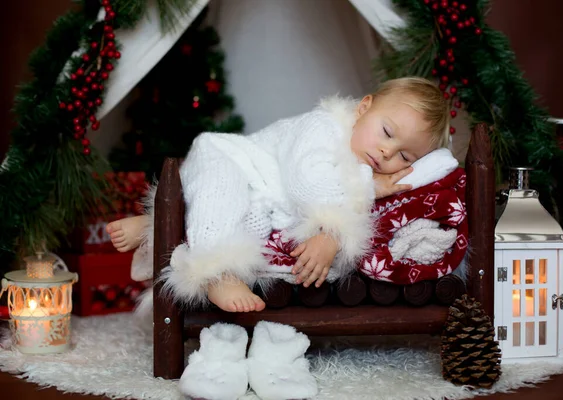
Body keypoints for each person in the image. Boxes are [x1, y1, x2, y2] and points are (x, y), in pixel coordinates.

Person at [106, 77, 450, 314]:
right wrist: (367, 188)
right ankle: (217, 273)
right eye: (387, 132)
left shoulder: (360, 167)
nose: (388, 152)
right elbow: (307, 186)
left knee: (251, 226)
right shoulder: (323, 127)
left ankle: (155, 225)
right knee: (221, 200)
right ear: (364, 108)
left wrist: (331, 238)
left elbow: (335, 214)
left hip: (265, 200)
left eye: (406, 157)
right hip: (230, 160)